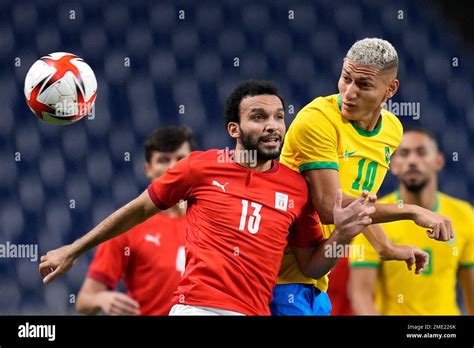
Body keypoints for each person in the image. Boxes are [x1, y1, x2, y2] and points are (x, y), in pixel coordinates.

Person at [39, 80, 378, 316]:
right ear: (235, 129)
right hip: (198, 308)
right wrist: (74, 249)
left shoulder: (296, 188)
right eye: (259, 117)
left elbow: (311, 265)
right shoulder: (200, 167)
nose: (273, 125)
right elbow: (139, 209)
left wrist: (342, 236)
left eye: (278, 116)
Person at [271, 38, 449, 316]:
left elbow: (359, 204)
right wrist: (411, 211)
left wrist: (386, 247)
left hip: (316, 276)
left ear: (390, 89)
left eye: (363, 85)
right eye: (346, 79)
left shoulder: (392, 130)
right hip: (279, 275)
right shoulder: (317, 120)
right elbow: (331, 207)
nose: (349, 93)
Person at [349, 128, 474, 315]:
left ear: (438, 161)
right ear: (394, 165)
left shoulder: (464, 214)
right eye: (404, 154)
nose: (413, 161)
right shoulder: (373, 216)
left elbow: (471, 289)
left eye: (421, 152)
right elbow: (360, 294)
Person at [75, 126, 195, 315]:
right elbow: (84, 300)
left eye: (180, 159)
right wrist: (101, 298)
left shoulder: (214, 218)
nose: (173, 167)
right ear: (148, 169)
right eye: (164, 160)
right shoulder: (127, 226)